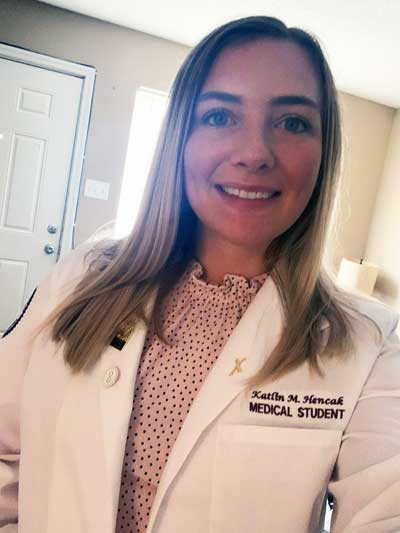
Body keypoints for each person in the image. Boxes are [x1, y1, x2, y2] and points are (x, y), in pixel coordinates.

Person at [0, 15, 399, 533]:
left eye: (293, 122)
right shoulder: (82, 279)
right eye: (219, 116)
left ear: (325, 155)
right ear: (179, 138)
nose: (255, 153)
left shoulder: (372, 342)